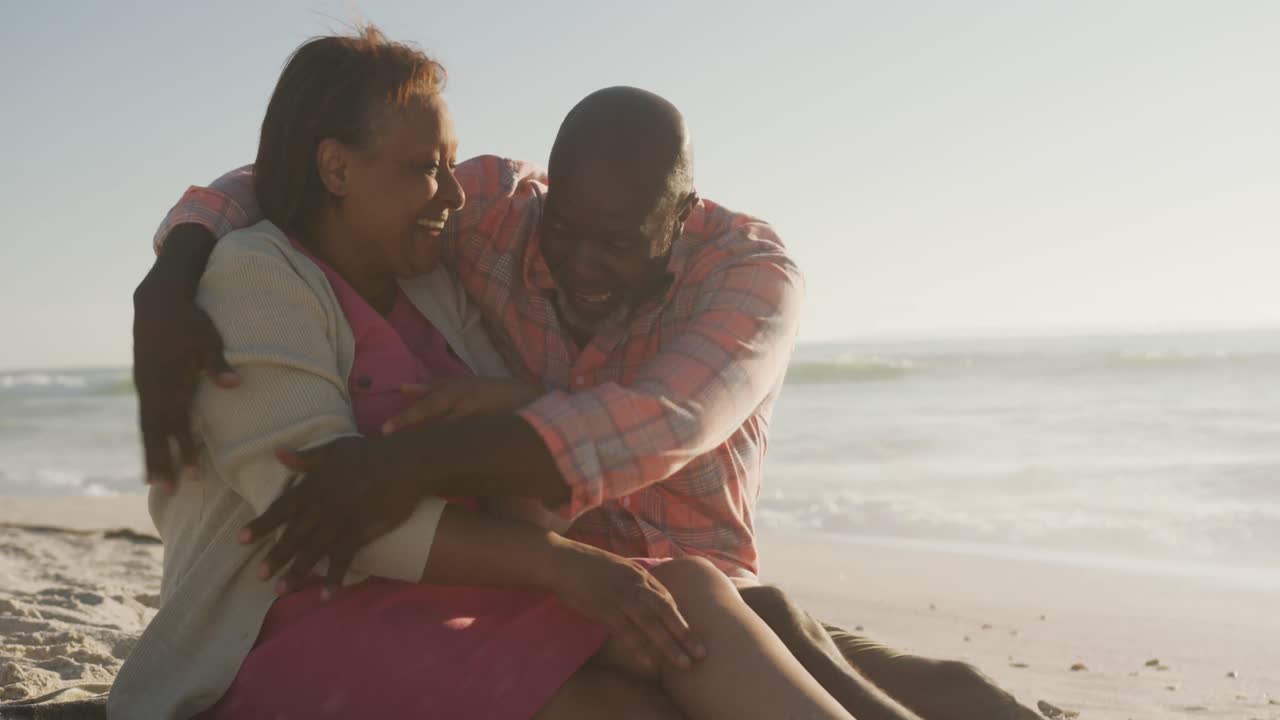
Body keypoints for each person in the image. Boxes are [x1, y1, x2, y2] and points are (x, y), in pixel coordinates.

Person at [133, 53, 1042, 720]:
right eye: (564, 229)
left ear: (680, 219)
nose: (577, 263)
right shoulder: (478, 222)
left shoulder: (746, 280)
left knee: (726, 607)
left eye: (617, 242)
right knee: (676, 669)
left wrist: (426, 455)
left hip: (583, 562)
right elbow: (285, 182)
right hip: (393, 592)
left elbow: (658, 423)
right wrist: (176, 264)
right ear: (544, 194)